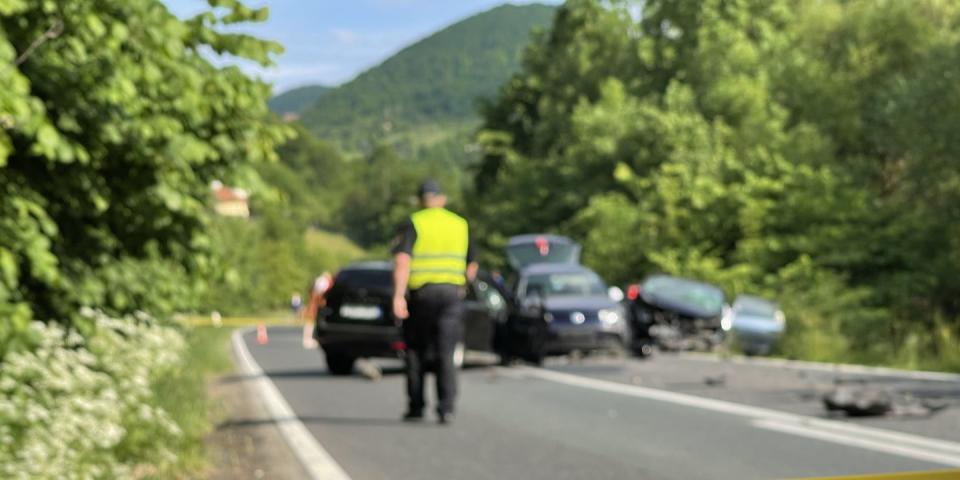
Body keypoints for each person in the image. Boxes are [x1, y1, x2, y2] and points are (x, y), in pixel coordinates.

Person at [392, 180, 477, 424]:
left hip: (422, 295)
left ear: (421, 200)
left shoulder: (413, 222)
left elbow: (402, 261)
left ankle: (417, 407)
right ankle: (446, 408)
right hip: (452, 295)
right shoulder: (460, 224)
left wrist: (398, 296)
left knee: (416, 352)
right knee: (445, 352)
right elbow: (471, 265)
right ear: (442, 199)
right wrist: (462, 286)